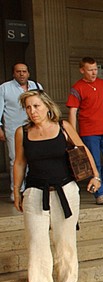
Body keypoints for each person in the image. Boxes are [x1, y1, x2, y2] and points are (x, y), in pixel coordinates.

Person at [13, 90, 100, 282]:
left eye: (36, 106)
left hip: (65, 190)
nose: (33, 112)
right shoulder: (22, 132)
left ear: (47, 106)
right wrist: (16, 190)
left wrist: (95, 175)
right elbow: (20, 163)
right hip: (34, 192)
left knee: (65, 240)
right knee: (36, 243)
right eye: (28, 108)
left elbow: (82, 150)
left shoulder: (63, 127)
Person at [67, 57, 103, 205]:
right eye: (90, 70)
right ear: (82, 70)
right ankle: (99, 194)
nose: (94, 72)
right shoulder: (77, 88)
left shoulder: (102, 84)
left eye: (95, 69)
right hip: (89, 131)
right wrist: (72, 133)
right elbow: (73, 111)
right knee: (94, 163)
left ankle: (102, 186)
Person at [0, 63, 43, 201]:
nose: (21, 74)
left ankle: (33, 188)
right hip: (13, 129)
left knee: (35, 157)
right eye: (18, 72)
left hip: (34, 128)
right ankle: (17, 191)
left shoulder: (37, 86)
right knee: (16, 159)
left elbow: (44, 105)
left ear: (28, 73)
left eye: (24, 71)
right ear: (14, 73)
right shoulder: (4, 88)